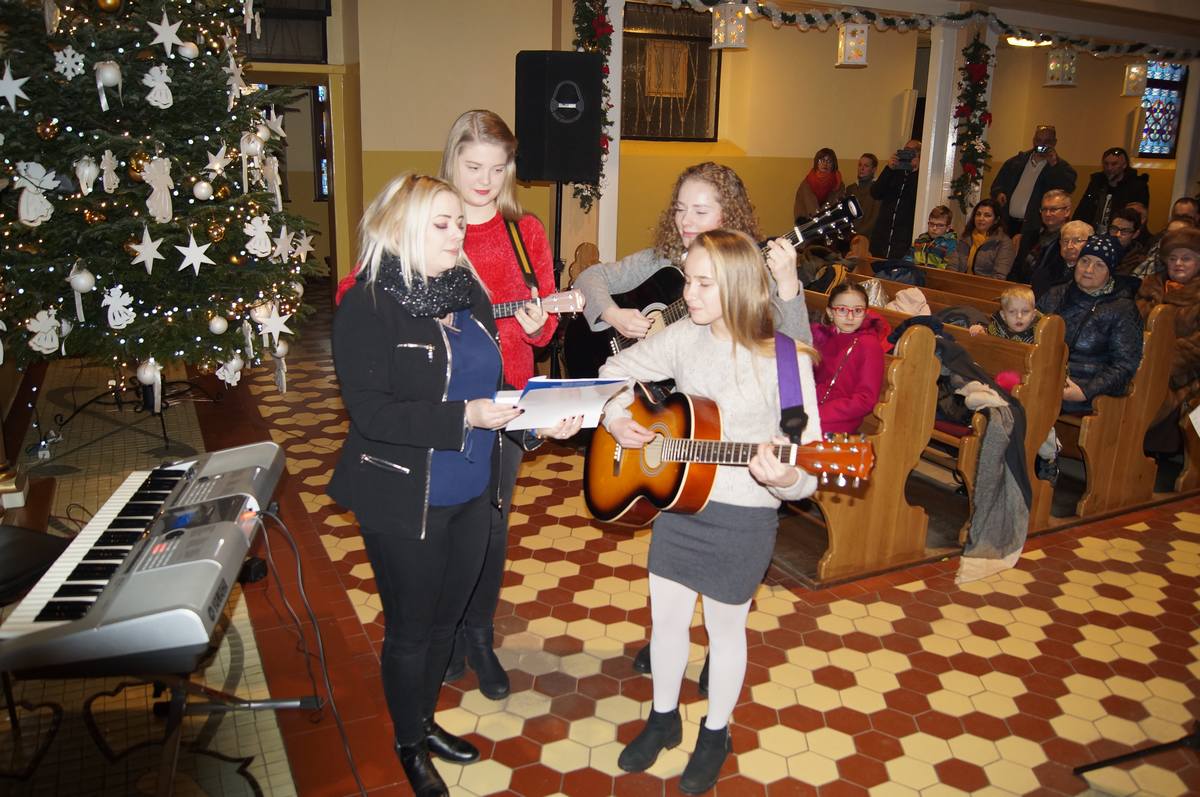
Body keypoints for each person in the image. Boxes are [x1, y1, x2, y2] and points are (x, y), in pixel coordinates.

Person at [329, 174, 580, 797]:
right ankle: (409, 744)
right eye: (441, 223)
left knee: (446, 624)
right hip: (406, 496)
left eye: (459, 223)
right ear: (400, 226)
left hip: (474, 488)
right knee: (411, 629)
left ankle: (424, 720)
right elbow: (372, 413)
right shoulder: (367, 304)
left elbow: (490, 388)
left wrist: (539, 423)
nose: (456, 233)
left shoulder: (467, 290)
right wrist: (462, 416)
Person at [598, 229, 822, 795]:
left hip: (743, 519)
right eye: (689, 281)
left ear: (739, 286)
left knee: (724, 633)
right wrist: (618, 416)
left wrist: (787, 478)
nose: (688, 294)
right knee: (667, 622)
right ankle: (663, 718)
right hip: (681, 504)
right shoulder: (684, 337)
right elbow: (612, 370)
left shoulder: (788, 361)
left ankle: (715, 733)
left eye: (703, 284)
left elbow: (809, 466)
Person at [436, 109, 562, 699]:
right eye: (473, 167)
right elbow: (363, 291)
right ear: (453, 161)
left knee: (490, 524)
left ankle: (479, 636)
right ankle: (443, 632)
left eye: (496, 168)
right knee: (444, 523)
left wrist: (538, 326)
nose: (484, 181)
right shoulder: (433, 222)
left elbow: (544, 326)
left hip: (508, 399)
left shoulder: (524, 231)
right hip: (442, 400)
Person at [575, 161, 810, 344]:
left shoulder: (756, 272)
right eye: (680, 209)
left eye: (700, 212)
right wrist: (613, 315)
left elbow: (798, 358)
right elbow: (588, 277)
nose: (685, 221)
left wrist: (788, 286)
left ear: (728, 216)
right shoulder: (664, 260)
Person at [1037, 234, 1143, 415]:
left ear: (1110, 272)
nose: (1088, 269)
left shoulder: (1122, 308)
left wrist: (1085, 391)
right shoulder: (1056, 293)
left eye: (1099, 265)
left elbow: (1124, 365)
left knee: (1030, 398)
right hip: (1044, 374)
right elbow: (1031, 331)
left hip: (1084, 389)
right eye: (1084, 261)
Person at [1135, 226, 1200, 454]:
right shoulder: (1150, 287)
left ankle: (1137, 449)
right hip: (1140, 363)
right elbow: (1130, 326)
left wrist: (1159, 364)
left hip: (1182, 374)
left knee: (1150, 395)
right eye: (1173, 258)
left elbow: (1195, 348)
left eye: (1186, 258)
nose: (1178, 263)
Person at [811, 282, 889, 433]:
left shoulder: (869, 345)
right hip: (812, 407)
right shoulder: (824, 338)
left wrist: (818, 414)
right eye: (842, 309)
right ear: (830, 312)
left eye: (858, 310)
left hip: (840, 419)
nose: (850, 316)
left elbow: (866, 399)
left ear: (865, 313)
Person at [990, 125, 1077, 239]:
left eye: (1047, 141)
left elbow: (1067, 188)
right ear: (1034, 140)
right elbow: (997, 185)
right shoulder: (1016, 162)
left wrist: (1054, 165)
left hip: (1035, 228)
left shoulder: (1061, 167)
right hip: (1008, 223)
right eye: (1038, 140)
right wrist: (999, 193)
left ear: (1054, 143)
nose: (1042, 145)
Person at [1073, 146, 1150, 230]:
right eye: (1106, 164)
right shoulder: (1097, 182)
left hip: (1121, 232)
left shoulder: (1137, 186)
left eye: (1114, 164)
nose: (1109, 168)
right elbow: (1083, 208)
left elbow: (1140, 217)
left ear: (1124, 165)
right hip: (1094, 230)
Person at [1012, 189, 1073, 293]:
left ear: (1067, 211)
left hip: (1050, 295)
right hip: (1020, 292)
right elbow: (1016, 269)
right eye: (1044, 209)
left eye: (1053, 209)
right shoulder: (1029, 236)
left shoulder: (1071, 241)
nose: (1047, 214)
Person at [870, 138, 922, 259]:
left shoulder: (921, 177)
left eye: (912, 151)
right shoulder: (893, 172)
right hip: (882, 234)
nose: (907, 154)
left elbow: (915, 198)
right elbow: (875, 193)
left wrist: (916, 172)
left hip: (902, 238)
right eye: (905, 150)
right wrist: (888, 168)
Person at [955, 198, 1015, 278]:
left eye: (987, 215)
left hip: (986, 284)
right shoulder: (965, 236)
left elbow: (1000, 275)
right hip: (960, 281)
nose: (981, 218)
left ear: (996, 220)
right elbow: (953, 264)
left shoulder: (1004, 242)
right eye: (978, 214)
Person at [793, 147, 845, 221]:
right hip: (809, 223)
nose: (825, 164)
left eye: (829, 161)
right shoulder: (807, 183)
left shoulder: (838, 183)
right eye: (822, 160)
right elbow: (801, 206)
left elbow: (838, 206)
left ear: (834, 164)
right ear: (816, 162)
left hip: (829, 222)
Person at [907, 205, 959, 269]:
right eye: (931, 224)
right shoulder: (920, 240)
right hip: (915, 274)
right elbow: (908, 259)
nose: (934, 228)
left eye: (940, 225)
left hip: (936, 275)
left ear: (948, 228)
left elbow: (951, 268)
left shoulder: (951, 244)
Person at [845, 152, 880, 240]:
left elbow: (875, 218)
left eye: (866, 166)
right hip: (849, 236)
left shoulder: (877, 189)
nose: (862, 168)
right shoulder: (850, 189)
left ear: (873, 169)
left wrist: (858, 233)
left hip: (868, 238)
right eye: (860, 165)